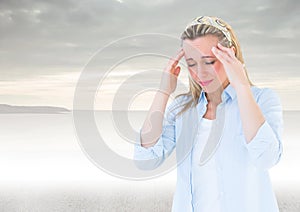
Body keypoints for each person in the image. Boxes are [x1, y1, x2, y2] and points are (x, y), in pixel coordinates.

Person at [133, 16, 283, 212]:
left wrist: (241, 86)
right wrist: (163, 92)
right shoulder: (182, 108)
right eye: (192, 64)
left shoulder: (263, 99)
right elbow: (146, 160)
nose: (200, 73)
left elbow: (267, 158)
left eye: (209, 61)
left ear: (231, 54)